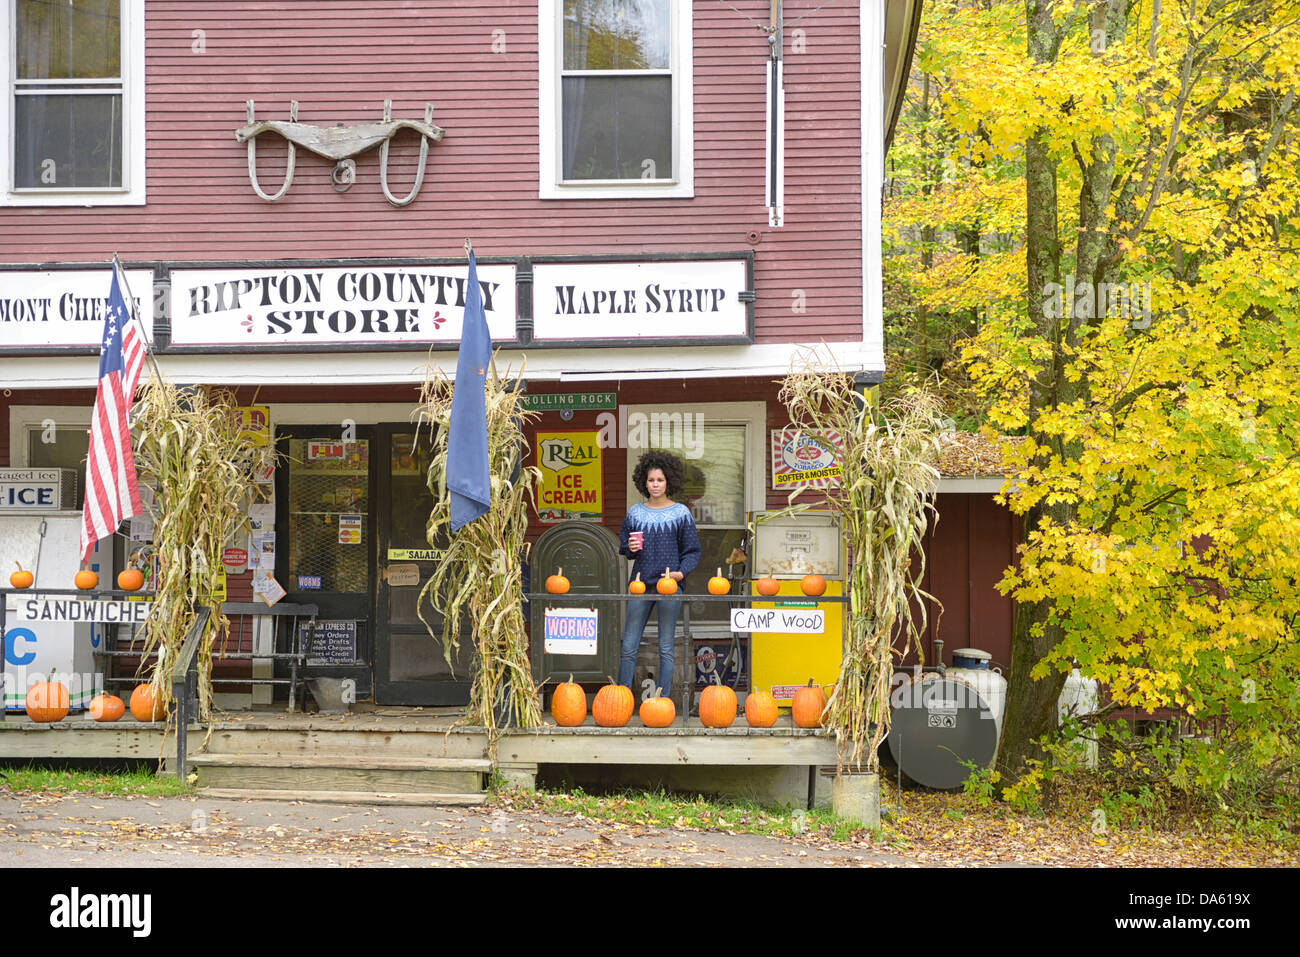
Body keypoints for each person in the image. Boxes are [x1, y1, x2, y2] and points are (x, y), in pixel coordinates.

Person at [618, 450, 701, 700]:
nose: (655, 485)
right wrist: (629, 548)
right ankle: (620, 698)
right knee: (629, 646)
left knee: (666, 647)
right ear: (644, 481)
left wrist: (680, 573)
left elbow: (692, 551)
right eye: (651, 480)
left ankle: (662, 702)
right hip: (640, 586)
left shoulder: (681, 513)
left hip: (669, 585)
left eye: (660, 480)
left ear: (669, 482)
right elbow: (625, 547)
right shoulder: (635, 513)